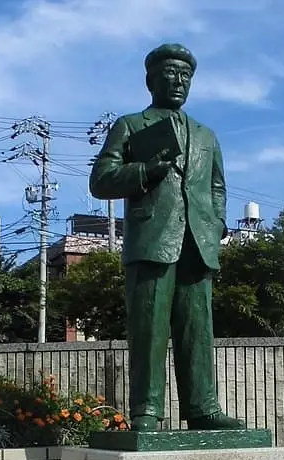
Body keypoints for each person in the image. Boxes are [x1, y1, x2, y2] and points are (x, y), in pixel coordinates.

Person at [89, 43, 244, 432]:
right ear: (150, 81)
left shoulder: (206, 135)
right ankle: (146, 409)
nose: (178, 81)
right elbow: (101, 180)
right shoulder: (131, 125)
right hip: (152, 240)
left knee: (198, 329)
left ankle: (203, 407)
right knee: (149, 330)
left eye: (185, 76)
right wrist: (146, 170)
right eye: (170, 74)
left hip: (198, 243)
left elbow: (217, 185)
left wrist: (218, 221)